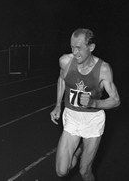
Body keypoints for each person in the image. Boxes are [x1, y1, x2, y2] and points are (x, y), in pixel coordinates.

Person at [50, 28, 120, 181]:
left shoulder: (103, 69)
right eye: (72, 47)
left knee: (84, 171)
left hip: (92, 121)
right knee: (61, 171)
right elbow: (62, 79)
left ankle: (82, 150)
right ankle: (80, 149)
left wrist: (93, 102)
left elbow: (115, 100)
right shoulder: (65, 61)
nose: (75, 52)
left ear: (91, 47)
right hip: (72, 116)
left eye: (79, 48)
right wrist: (57, 105)